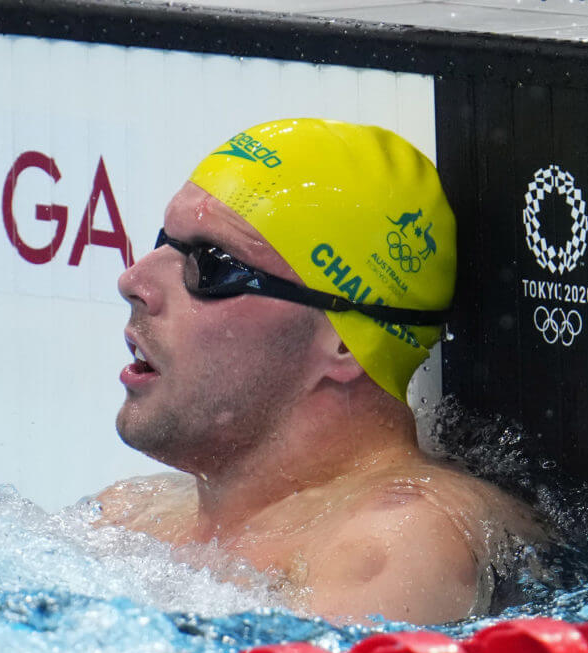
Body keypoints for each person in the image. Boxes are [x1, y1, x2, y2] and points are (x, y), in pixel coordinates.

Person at [96, 118, 545, 625]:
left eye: (211, 264)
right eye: (164, 242)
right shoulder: (130, 517)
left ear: (344, 342)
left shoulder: (395, 543)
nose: (133, 280)